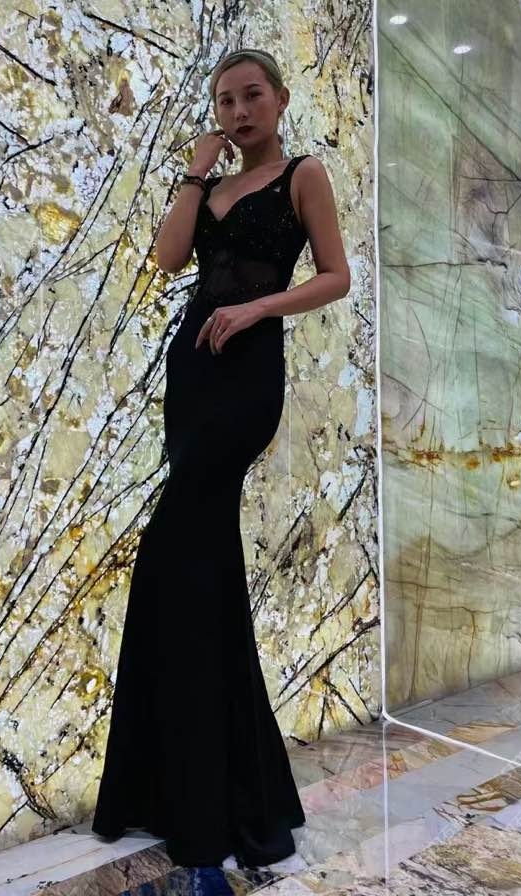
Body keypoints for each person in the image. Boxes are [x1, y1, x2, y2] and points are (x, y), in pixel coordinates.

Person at [90, 48, 351, 867]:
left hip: (247, 378)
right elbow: (169, 259)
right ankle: (208, 785)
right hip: (193, 373)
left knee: (177, 555)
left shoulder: (303, 175)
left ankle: (205, 793)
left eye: (251, 96)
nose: (239, 112)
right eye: (226, 101)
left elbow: (336, 277)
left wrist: (259, 308)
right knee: (196, 572)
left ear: (280, 99)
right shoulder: (209, 186)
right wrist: (193, 173)